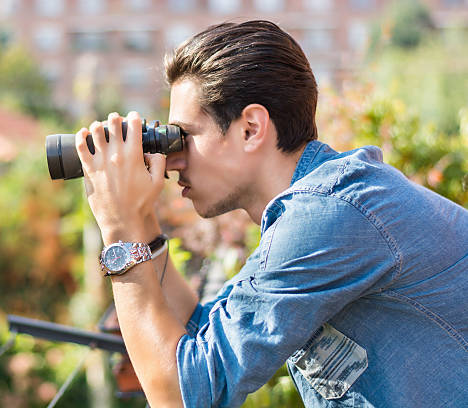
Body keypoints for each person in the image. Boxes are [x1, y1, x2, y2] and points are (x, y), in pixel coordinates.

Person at [74, 20, 468, 407]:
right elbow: (201, 334)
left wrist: (119, 229)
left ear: (250, 128)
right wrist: (141, 222)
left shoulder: (328, 215)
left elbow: (182, 395)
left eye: (185, 137)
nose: (173, 159)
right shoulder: (323, 204)